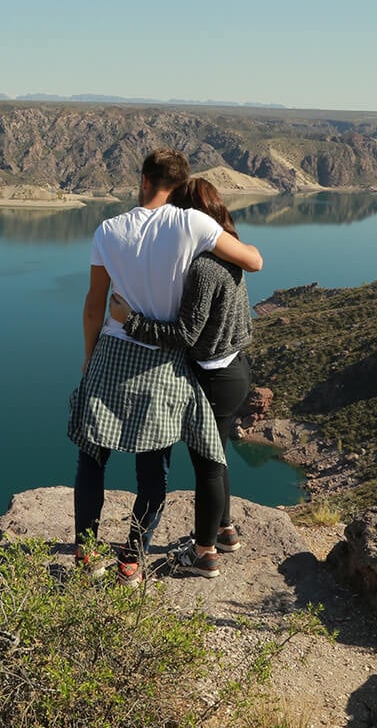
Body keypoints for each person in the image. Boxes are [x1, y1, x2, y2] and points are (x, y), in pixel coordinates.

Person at [68, 150, 262, 586]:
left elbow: (94, 302)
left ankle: (86, 553)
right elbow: (251, 261)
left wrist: (88, 355)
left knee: (91, 459)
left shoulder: (107, 230)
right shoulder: (193, 225)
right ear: (182, 185)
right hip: (160, 362)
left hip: (110, 353)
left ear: (143, 180)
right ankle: (132, 562)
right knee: (151, 470)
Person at [108, 178, 253, 575]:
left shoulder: (204, 268)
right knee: (217, 458)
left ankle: (204, 553)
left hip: (211, 378)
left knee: (207, 464)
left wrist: (129, 321)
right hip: (236, 371)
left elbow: (184, 335)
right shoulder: (233, 254)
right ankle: (224, 530)